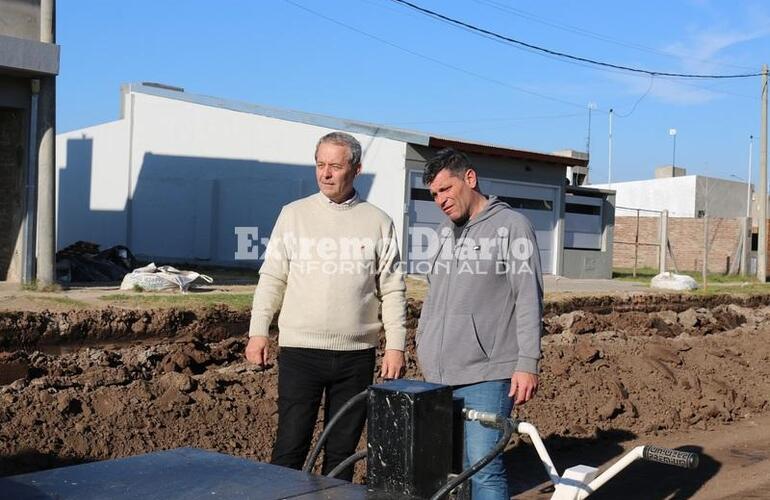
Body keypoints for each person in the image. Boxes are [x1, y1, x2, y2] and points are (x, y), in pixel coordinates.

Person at [245, 131, 406, 481]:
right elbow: (273, 278)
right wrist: (258, 331)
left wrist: (395, 345)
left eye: (335, 165)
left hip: (356, 356)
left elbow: (392, 289)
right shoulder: (293, 215)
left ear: (356, 168)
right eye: (320, 165)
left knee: (341, 453)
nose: (326, 173)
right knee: (290, 446)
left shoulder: (378, 222)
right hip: (300, 351)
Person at [416, 148, 543, 500]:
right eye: (434, 194)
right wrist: (423, 340)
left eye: (445, 189)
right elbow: (433, 295)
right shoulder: (443, 233)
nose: (440, 200)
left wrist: (527, 363)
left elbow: (528, 297)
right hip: (440, 375)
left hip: (487, 374)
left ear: (469, 179)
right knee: (451, 474)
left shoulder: (511, 227)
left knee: (484, 469)